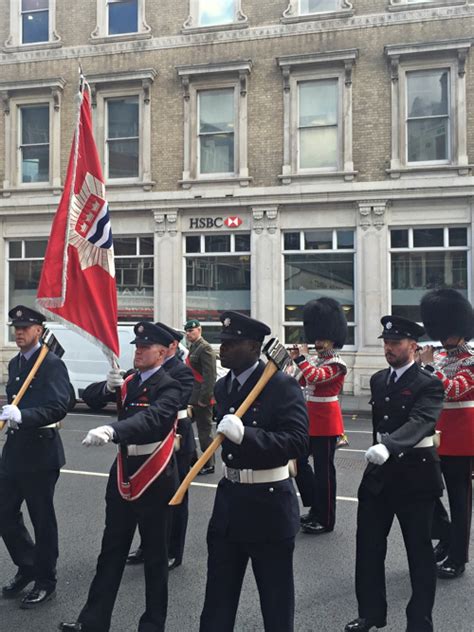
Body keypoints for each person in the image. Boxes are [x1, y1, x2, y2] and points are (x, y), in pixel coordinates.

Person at [59, 322, 182, 632]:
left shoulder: (169, 384)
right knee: (111, 551)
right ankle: (93, 621)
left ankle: (152, 625)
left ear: (163, 351)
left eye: (145, 347)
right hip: (124, 472)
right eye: (136, 347)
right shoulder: (128, 380)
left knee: (155, 559)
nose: (138, 351)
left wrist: (113, 429)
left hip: (155, 475)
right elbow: (89, 396)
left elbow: (153, 419)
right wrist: (106, 386)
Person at [199, 311, 309, 632]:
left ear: (253, 346)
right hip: (230, 505)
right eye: (223, 342)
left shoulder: (282, 386)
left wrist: (248, 435)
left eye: (232, 344)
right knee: (217, 601)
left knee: (275, 604)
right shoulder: (222, 387)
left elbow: (298, 442)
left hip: (269, 505)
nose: (224, 349)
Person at [345, 315, 444, 632]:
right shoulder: (378, 380)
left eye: (395, 343)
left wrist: (389, 445)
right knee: (369, 549)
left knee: (419, 553)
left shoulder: (429, 383)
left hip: (415, 474)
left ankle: (419, 621)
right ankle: (371, 613)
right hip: (379, 477)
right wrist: (381, 450)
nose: (389, 348)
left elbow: (421, 421)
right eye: (386, 342)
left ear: (413, 346)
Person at [0, 305, 71, 608]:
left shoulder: (51, 363)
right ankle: (28, 565)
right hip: (15, 451)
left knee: (42, 520)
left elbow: (60, 405)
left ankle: (45, 579)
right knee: (4, 514)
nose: (19, 332)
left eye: (25, 327)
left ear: (39, 331)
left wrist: (24, 415)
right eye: (15, 327)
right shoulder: (16, 363)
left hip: (41, 452)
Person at [127, 321, 195, 570]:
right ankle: (148, 546)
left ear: (171, 347)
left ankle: (172, 550)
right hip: (150, 439)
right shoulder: (143, 370)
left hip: (176, 439)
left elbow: (176, 401)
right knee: (147, 496)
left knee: (174, 498)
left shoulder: (181, 372)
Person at [420, 289, 474, 580]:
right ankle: (445, 533)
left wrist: (428, 367)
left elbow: (454, 389)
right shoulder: (438, 356)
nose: (443, 338)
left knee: (460, 499)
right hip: (434, 432)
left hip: (463, 435)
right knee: (425, 488)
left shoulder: (471, 359)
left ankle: (458, 557)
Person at [290, 297, 348, 535]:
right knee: (299, 462)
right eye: (316, 337)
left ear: (332, 338)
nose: (317, 342)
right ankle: (315, 505)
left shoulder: (337, 363)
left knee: (325, 473)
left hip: (326, 421)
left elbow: (316, 377)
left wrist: (302, 359)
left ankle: (326, 518)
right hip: (309, 419)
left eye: (322, 338)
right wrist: (293, 362)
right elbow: (301, 381)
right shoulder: (314, 359)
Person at [184, 319, 217, 475]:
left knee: (204, 433)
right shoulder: (194, 347)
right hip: (192, 396)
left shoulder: (205, 348)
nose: (188, 334)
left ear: (199, 330)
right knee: (184, 429)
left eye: (191, 331)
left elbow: (209, 376)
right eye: (187, 331)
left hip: (202, 399)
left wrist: (204, 399)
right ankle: (194, 461)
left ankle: (208, 464)